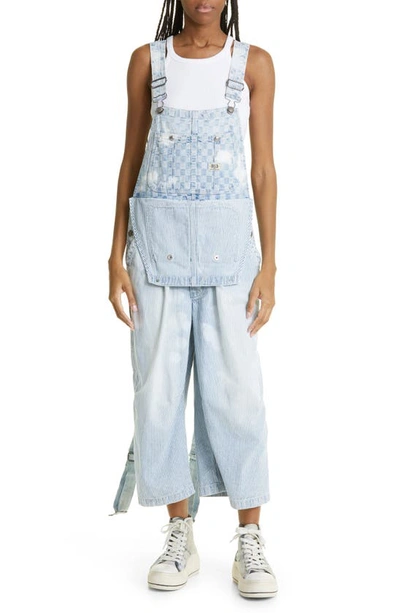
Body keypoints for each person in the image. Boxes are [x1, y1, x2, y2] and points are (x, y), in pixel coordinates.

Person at [107, 0, 278, 599]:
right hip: (156, 253)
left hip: (231, 256)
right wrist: (115, 256)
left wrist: (270, 265)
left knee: (238, 396)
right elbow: (131, 161)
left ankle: (250, 539)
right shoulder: (146, 62)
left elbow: (262, 170)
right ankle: (180, 531)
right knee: (156, 394)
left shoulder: (252, 64)